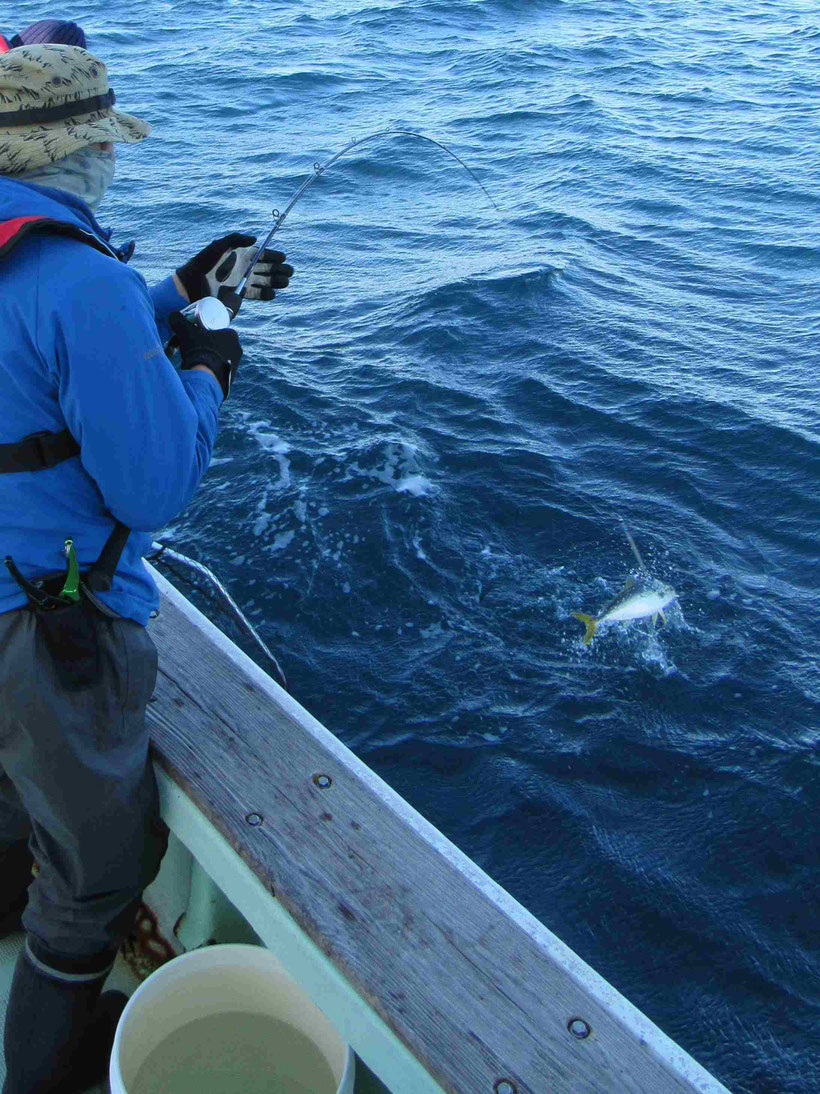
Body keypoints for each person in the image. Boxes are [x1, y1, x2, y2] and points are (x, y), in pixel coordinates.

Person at [0, 39, 293, 1094]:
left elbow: (30, 358)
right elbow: (156, 486)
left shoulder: (49, 265)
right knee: (91, 885)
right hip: (48, 631)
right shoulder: (82, 283)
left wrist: (175, 292)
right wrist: (211, 364)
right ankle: (43, 1066)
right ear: (79, 156)